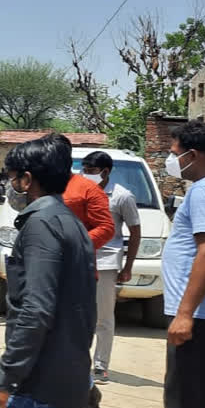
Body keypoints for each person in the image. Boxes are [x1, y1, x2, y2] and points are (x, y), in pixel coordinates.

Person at [0, 134, 96, 408]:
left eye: (12, 178)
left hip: (38, 391)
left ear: (27, 180)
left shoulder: (41, 225)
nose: (10, 186)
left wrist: (4, 379)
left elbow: (36, 310)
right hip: (64, 383)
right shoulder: (69, 222)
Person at [49, 133, 114, 408]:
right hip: (44, 273)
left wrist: (75, 243)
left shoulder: (87, 189)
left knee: (72, 342)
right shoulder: (42, 186)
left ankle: (86, 393)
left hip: (77, 275)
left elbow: (106, 227)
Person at [160, 121, 205, 408]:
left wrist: (185, 313)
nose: (171, 159)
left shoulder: (203, 191)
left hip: (196, 317)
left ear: (192, 154)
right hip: (197, 315)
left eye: (174, 152)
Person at [82, 151, 141, 385]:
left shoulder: (122, 196)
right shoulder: (80, 192)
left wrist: (128, 266)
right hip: (81, 259)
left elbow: (135, 231)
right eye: (83, 169)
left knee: (103, 318)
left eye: (90, 170)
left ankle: (100, 366)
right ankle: (79, 363)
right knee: (79, 315)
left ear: (105, 172)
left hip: (106, 261)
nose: (85, 174)